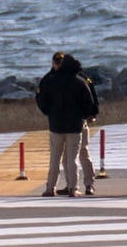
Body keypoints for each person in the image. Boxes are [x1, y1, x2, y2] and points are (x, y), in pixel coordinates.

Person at [36, 51, 95, 197]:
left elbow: (41, 99)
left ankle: (50, 188)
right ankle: (73, 188)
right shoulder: (80, 81)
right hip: (75, 126)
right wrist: (85, 116)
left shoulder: (50, 80)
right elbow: (89, 102)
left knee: (55, 158)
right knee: (73, 158)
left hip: (56, 125)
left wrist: (49, 113)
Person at [67, 54, 99, 197]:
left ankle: (88, 183)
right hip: (68, 121)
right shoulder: (64, 78)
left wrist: (92, 114)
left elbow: (93, 97)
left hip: (80, 121)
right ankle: (71, 184)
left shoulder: (83, 79)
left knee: (83, 152)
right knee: (68, 155)